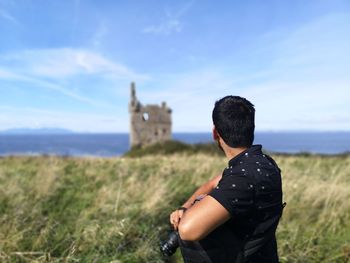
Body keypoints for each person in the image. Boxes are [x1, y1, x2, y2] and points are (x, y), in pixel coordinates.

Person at [169, 96, 284, 263]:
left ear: (215, 132)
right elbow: (213, 183)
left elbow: (187, 230)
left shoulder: (243, 178)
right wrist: (184, 207)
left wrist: (189, 212)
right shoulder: (261, 162)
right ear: (250, 127)